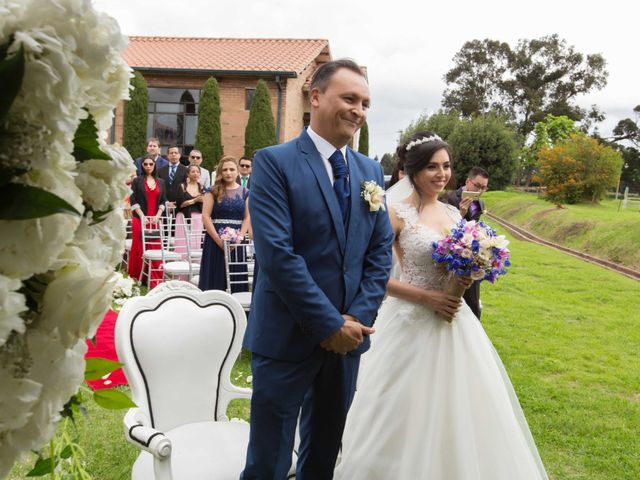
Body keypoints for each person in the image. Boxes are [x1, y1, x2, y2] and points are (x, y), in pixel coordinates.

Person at [334, 132, 547, 480]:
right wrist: (428, 297)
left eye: (446, 166)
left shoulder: (452, 212)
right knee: (403, 408)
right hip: (410, 322)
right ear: (413, 170)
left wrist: (472, 269)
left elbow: (462, 258)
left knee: (463, 408)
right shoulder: (394, 213)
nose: (441, 174)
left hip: (456, 324)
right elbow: (373, 277)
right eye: (432, 166)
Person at [241, 59, 394, 480]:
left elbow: (380, 250)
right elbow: (277, 254)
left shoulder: (369, 171)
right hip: (288, 335)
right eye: (349, 98)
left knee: (324, 453)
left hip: (348, 339)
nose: (359, 110)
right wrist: (329, 324)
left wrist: (358, 319)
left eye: (365, 102)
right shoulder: (274, 162)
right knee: (268, 461)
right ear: (315, 98)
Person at [441, 166, 489, 318]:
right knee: (452, 298)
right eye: (477, 186)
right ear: (468, 181)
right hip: (451, 255)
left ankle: (475, 323)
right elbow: (442, 228)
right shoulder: (449, 198)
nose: (480, 191)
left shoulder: (480, 204)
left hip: (471, 255)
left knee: (473, 300)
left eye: (484, 188)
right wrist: (460, 213)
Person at [198, 156, 250, 292]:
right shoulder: (212, 191)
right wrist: (218, 240)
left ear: (237, 171)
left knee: (235, 278)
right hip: (215, 241)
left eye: (232, 169)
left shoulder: (245, 192)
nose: (228, 172)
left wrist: (239, 239)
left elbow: (247, 217)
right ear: (220, 172)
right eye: (225, 169)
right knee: (215, 276)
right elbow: (205, 216)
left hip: (236, 242)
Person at [127, 155, 167, 288]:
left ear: (154, 165)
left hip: (155, 219)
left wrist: (158, 215)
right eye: (146, 164)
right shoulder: (137, 181)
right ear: (142, 166)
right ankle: (138, 277)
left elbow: (163, 201)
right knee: (139, 248)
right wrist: (142, 216)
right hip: (140, 219)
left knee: (155, 248)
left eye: (151, 164)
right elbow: (133, 200)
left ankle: (155, 279)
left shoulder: (161, 182)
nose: (148, 166)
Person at [157, 145, 188, 210]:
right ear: (167, 155)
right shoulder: (160, 171)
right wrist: (166, 202)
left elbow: (186, 188)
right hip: (164, 206)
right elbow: (159, 189)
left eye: (176, 153)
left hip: (180, 206)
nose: (173, 155)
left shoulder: (186, 170)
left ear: (179, 155)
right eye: (171, 153)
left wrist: (176, 203)